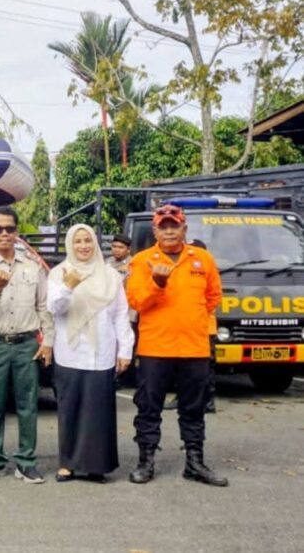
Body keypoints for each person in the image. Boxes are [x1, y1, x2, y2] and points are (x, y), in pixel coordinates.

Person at [126, 204, 227, 487]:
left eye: (175, 225)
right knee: (148, 408)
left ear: (184, 229)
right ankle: (146, 461)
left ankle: (195, 462)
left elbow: (212, 296)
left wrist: (191, 321)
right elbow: (136, 302)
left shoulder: (203, 259)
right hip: (155, 349)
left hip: (193, 348)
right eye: (163, 226)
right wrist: (157, 283)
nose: (169, 230)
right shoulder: (142, 261)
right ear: (155, 229)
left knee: (194, 408)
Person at [0, 205, 54, 484]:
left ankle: (26, 461)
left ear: (16, 232)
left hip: (26, 343)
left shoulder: (32, 266)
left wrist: (48, 342)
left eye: (9, 229)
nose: (4, 234)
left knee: (27, 404)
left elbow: (44, 307)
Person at [46, 224, 133, 483]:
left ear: (95, 243)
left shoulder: (110, 276)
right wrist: (68, 286)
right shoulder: (58, 273)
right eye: (77, 241)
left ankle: (97, 465)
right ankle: (68, 464)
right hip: (70, 352)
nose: (83, 246)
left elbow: (120, 314)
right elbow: (55, 308)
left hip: (102, 352)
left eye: (87, 241)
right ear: (70, 245)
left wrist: (125, 349)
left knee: (98, 411)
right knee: (69, 409)